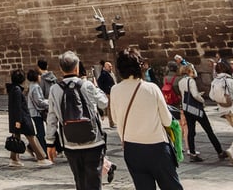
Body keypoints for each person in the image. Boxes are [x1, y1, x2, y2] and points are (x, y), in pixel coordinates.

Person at [108, 48, 182, 190]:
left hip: (132, 148)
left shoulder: (115, 90)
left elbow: (116, 119)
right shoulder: (152, 88)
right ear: (139, 66)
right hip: (157, 147)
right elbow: (167, 120)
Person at [45, 50, 109, 189]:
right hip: (94, 142)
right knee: (94, 182)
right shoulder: (87, 85)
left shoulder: (55, 89)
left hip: (70, 143)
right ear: (77, 67)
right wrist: (96, 88)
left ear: (61, 69)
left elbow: (51, 117)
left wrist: (50, 143)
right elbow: (104, 102)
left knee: (79, 181)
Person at [178, 62, 226, 162]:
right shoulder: (191, 81)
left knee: (191, 131)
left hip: (187, 108)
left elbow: (185, 95)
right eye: (193, 69)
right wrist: (202, 100)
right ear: (189, 71)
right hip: (196, 109)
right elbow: (195, 95)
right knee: (209, 130)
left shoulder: (180, 81)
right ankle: (219, 151)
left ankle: (192, 153)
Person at [7, 69, 51, 167]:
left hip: (16, 118)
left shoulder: (13, 89)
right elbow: (18, 107)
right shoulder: (17, 90)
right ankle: (41, 157)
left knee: (16, 138)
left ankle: (14, 159)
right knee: (31, 136)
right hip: (22, 118)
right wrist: (18, 121)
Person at [26, 68, 48, 154]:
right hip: (36, 112)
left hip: (34, 111)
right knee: (41, 133)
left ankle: (31, 147)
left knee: (40, 132)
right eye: (39, 75)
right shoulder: (35, 87)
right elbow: (39, 101)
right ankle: (42, 151)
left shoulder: (32, 86)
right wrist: (49, 103)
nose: (40, 77)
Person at [97, 61, 117, 127]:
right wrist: (105, 91)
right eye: (109, 66)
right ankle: (111, 123)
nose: (111, 67)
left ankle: (114, 121)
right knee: (110, 108)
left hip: (113, 92)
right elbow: (99, 83)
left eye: (111, 66)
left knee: (114, 107)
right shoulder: (104, 74)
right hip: (108, 93)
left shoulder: (111, 73)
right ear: (105, 67)